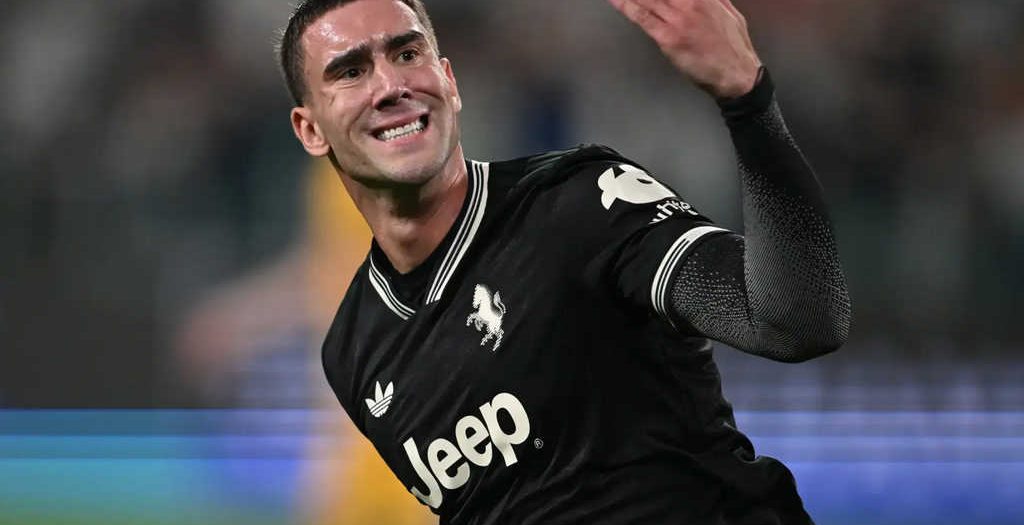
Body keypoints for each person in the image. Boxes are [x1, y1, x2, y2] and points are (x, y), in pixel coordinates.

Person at [278, 0, 852, 523]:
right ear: (310, 130)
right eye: (351, 71)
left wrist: (747, 103)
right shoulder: (354, 353)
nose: (390, 85)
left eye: (407, 54)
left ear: (448, 82)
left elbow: (795, 323)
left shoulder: (580, 203)